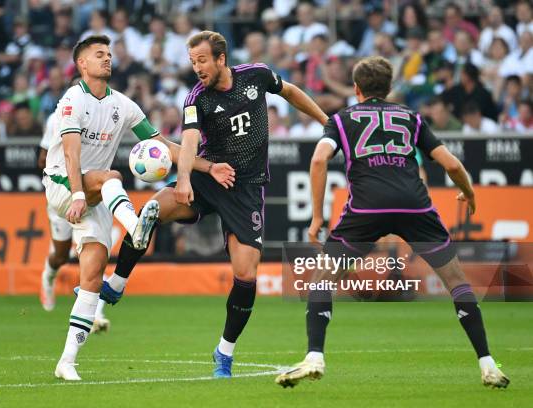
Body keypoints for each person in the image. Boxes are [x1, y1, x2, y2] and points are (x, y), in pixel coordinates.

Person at [275, 56, 510, 389]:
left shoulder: (342, 119)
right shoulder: (411, 117)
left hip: (366, 208)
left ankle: (314, 356)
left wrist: (317, 217)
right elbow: (452, 165)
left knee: (322, 279)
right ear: (389, 88)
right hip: (415, 207)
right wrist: (468, 192)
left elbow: (318, 160)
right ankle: (489, 365)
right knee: (457, 282)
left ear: (355, 88)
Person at [104, 30, 328, 378]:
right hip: (209, 178)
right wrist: (182, 180)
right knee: (149, 211)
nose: (197, 68)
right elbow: (189, 140)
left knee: (245, 274)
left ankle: (224, 352)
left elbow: (292, 93)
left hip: (246, 188)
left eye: (203, 60)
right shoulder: (197, 98)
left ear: (221, 59)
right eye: (193, 62)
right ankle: (117, 283)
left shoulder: (256, 75)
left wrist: (326, 122)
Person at [47, 35, 234, 381]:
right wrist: (76, 193)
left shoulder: (123, 105)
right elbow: (71, 154)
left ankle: (67, 361)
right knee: (112, 175)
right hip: (65, 186)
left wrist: (208, 167)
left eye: (109, 53)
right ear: (82, 65)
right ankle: (136, 227)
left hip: (98, 198)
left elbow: (161, 144)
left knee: (92, 275)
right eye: (98, 55)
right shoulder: (73, 99)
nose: (107, 58)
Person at [37, 109, 110, 334]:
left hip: (90, 194)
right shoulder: (57, 117)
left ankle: (96, 314)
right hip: (63, 192)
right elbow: (42, 158)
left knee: (92, 253)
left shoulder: (104, 114)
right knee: (60, 256)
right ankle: (47, 278)